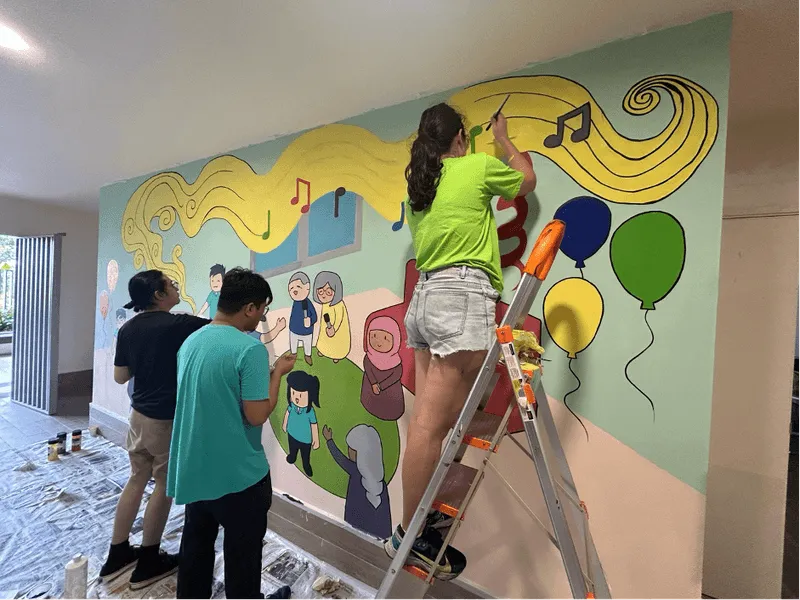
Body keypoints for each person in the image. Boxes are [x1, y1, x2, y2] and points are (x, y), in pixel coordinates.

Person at [385, 103, 536, 579]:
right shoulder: (475, 165)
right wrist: (504, 140)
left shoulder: (419, 188)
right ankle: (409, 536)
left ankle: (416, 522)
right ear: (459, 140)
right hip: (461, 296)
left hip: (425, 298)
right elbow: (526, 180)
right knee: (431, 427)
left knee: (430, 424)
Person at [168, 267, 296, 600]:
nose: (262, 317)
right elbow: (256, 415)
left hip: (196, 468)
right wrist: (278, 374)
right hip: (238, 477)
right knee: (242, 559)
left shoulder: (191, 342)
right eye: (262, 309)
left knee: (196, 548)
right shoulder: (249, 349)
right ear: (250, 308)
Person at [99, 270, 210, 589]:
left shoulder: (129, 327)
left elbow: (121, 376)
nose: (176, 287)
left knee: (137, 478)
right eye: (171, 284)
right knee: (163, 484)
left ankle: (118, 552)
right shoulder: (179, 324)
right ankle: (149, 559)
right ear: (159, 295)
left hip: (138, 416)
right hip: (165, 420)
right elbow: (222, 325)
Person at [323, 424, 392, 539]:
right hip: (377, 537)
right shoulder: (381, 482)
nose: (348, 451)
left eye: (350, 449)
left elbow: (340, 459)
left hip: (354, 532)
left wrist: (329, 440)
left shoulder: (356, 472)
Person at [360, 316, 405, 421]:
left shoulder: (395, 362)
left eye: (385, 338)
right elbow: (368, 367)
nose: (379, 342)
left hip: (388, 393)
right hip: (370, 390)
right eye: (374, 336)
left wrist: (381, 386)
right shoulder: (369, 356)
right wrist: (373, 383)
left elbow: (396, 375)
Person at [281, 370, 320, 477]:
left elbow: (314, 424)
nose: (297, 398)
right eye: (293, 393)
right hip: (292, 433)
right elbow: (287, 413)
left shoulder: (309, 411)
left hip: (305, 439)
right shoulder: (292, 406)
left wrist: (316, 439)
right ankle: (292, 457)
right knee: (292, 449)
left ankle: (306, 465)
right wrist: (284, 424)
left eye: (301, 395)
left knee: (305, 455)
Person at [312, 271, 351, 363]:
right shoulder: (325, 304)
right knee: (324, 338)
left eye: (328, 292)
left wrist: (334, 328)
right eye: (320, 291)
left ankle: (337, 355)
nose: (324, 295)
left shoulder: (339, 305)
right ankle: (323, 350)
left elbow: (339, 319)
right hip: (326, 328)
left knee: (336, 342)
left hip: (337, 330)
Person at [287, 271, 317, 365]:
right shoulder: (295, 303)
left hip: (306, 331)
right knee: (293, 343)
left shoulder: (307, 303)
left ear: (307, 287)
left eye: (298, 287)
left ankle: (307, 355)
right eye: (291, 288)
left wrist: (310, 321)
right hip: (294, 330)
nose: (294, 290)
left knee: (307, 344)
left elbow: (314, 316)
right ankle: (293, 354)